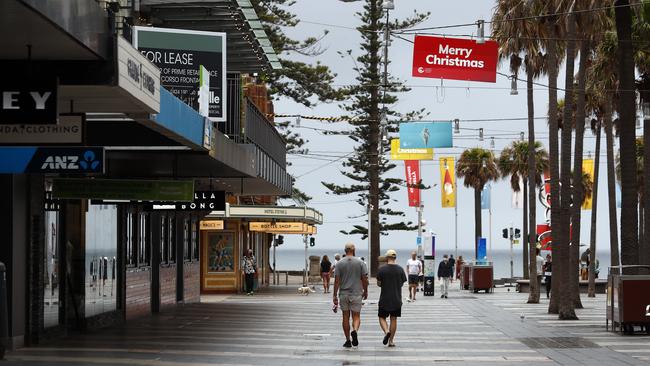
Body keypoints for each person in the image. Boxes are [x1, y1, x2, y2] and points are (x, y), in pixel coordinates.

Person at [333, 243, 368, 348]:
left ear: (344, 250)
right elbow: (364, 279)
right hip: (357, 293)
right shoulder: (361, 262)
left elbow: (336, 281)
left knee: (345, 317)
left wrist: (334, 295)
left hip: (344, 293)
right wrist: (365, 291)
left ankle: (348, 340)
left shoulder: (339, 263)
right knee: (356, 316)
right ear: (354, 250)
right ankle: (355, 330)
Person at [376, 249, 406, 347]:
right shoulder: (400, 269)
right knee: (394, 319)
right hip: (397, 299)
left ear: (387, 258)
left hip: (384, 299)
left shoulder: (382, 269)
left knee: (381, 317)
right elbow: (402, 283)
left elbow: (379, 284)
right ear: (395, 258)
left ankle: (386, 331)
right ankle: (391, 341)